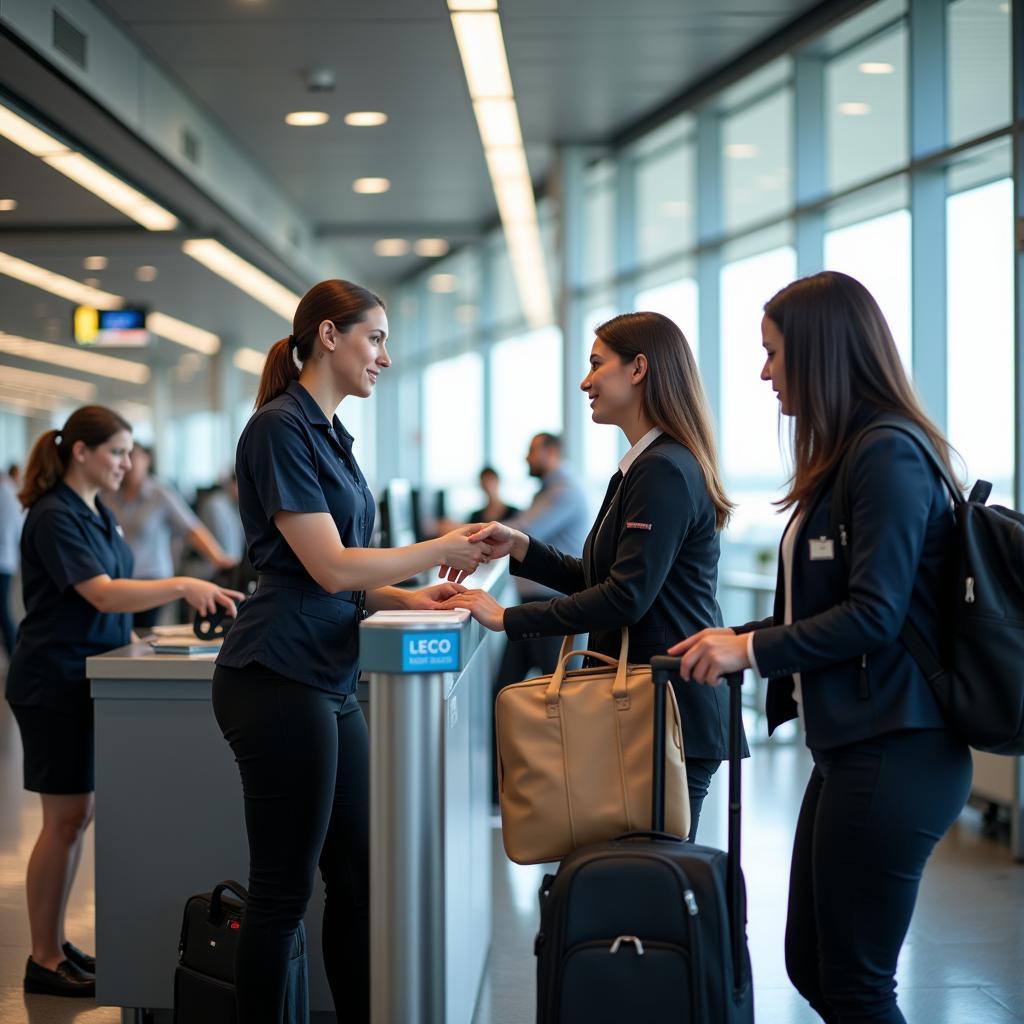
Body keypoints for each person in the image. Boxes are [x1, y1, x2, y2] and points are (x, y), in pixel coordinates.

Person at [669, 271, 972, 1023]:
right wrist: (737, 636)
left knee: (856, 984)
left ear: (822, 354)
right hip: (853, 746)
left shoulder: (888, 456)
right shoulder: (848, 458)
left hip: (899, 748)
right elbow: (831, 604)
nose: (763, 371)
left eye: (773, 353)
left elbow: (874, 613)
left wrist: (751, 655)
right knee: (812, 967)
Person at [211, 279, 492, 1024]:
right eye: (375, 338)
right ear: (329, 337)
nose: (386, 358)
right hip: (275, 674)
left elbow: (338, 578)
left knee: (360, 877)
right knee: (282, 890)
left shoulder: (330, 434)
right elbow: (330, 567)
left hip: (324, 674)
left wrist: (410, 595)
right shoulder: (278, 429)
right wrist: (440, 546)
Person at [443, 311, 746, 839]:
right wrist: (520, 546)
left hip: (670, 711)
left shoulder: (663, 469)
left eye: (595, 365)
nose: (585, 381)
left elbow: (625, 597)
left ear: (638, 369)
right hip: (648, 708)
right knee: (628, 873)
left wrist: (508, 617)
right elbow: (597, 575)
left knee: (646, 881)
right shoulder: (640, 466)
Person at [5, 406, 242, 998]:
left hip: (84, 672)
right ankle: (42, 955)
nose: (127, 464)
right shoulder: (54, 514)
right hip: (52, 681)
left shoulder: (95, 513)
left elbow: (105, 606)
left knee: (74, 818)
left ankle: (55, 945)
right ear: (80, 452)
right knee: (62, 821)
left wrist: (144, 638)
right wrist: (184, 584)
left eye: (130, 452)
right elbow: (103, 594)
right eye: (116, 452)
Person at [105, 444, 238, 630]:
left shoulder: (159, 492)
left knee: (145, 636)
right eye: (121, 455)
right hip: (117, 582)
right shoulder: (107, 494)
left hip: (153, 580)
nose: (126, 463)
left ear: (146, 459)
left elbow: (191, 529)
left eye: (131, 456)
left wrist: (218, 559)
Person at [495, 433, 588, 686]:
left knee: (556, 693)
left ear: (552, 452)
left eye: (532, 450)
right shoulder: (548, 490)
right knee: (505, 686)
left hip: (552, 605)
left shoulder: (564, 491)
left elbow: (525, 530)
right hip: (535, 603)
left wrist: (471, 531)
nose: (527, 457)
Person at [0, 461, 22, 659]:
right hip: (7, 559)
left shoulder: (6, 494)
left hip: (3, 561)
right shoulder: (8, 493)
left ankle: (15, 655)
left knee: (3, 611)